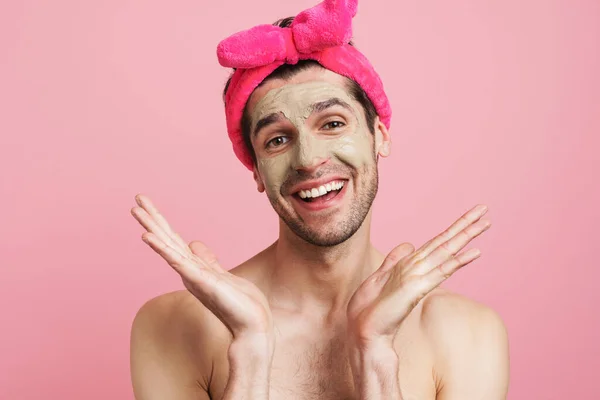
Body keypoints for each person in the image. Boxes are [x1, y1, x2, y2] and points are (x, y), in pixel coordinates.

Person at [129, 0, 510, 398]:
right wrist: (251, 352)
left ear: (379, 134)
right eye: (277, 139)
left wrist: (375, 354)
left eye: (332, 124)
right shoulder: (175, 325)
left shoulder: (466, 332)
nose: (309, 159)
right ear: (256, 170)